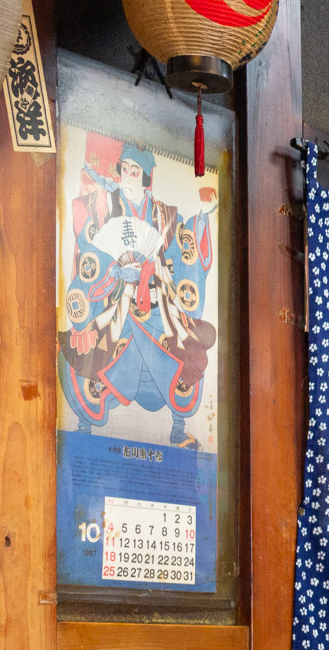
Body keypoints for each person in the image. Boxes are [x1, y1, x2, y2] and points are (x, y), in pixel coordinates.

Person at [58, 138, 218, 450]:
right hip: (117, 297)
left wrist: (200, 219)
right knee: (92, 352)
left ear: (145, 177)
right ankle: (85, 424)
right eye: (126, 169)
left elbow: (185, 252)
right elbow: (92, 251)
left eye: (136, 171)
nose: (129, 175)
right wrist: (117, 273)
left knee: (182, 350)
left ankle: (177, 428)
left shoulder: (162, 215)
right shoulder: (105, 207)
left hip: (157, 303)